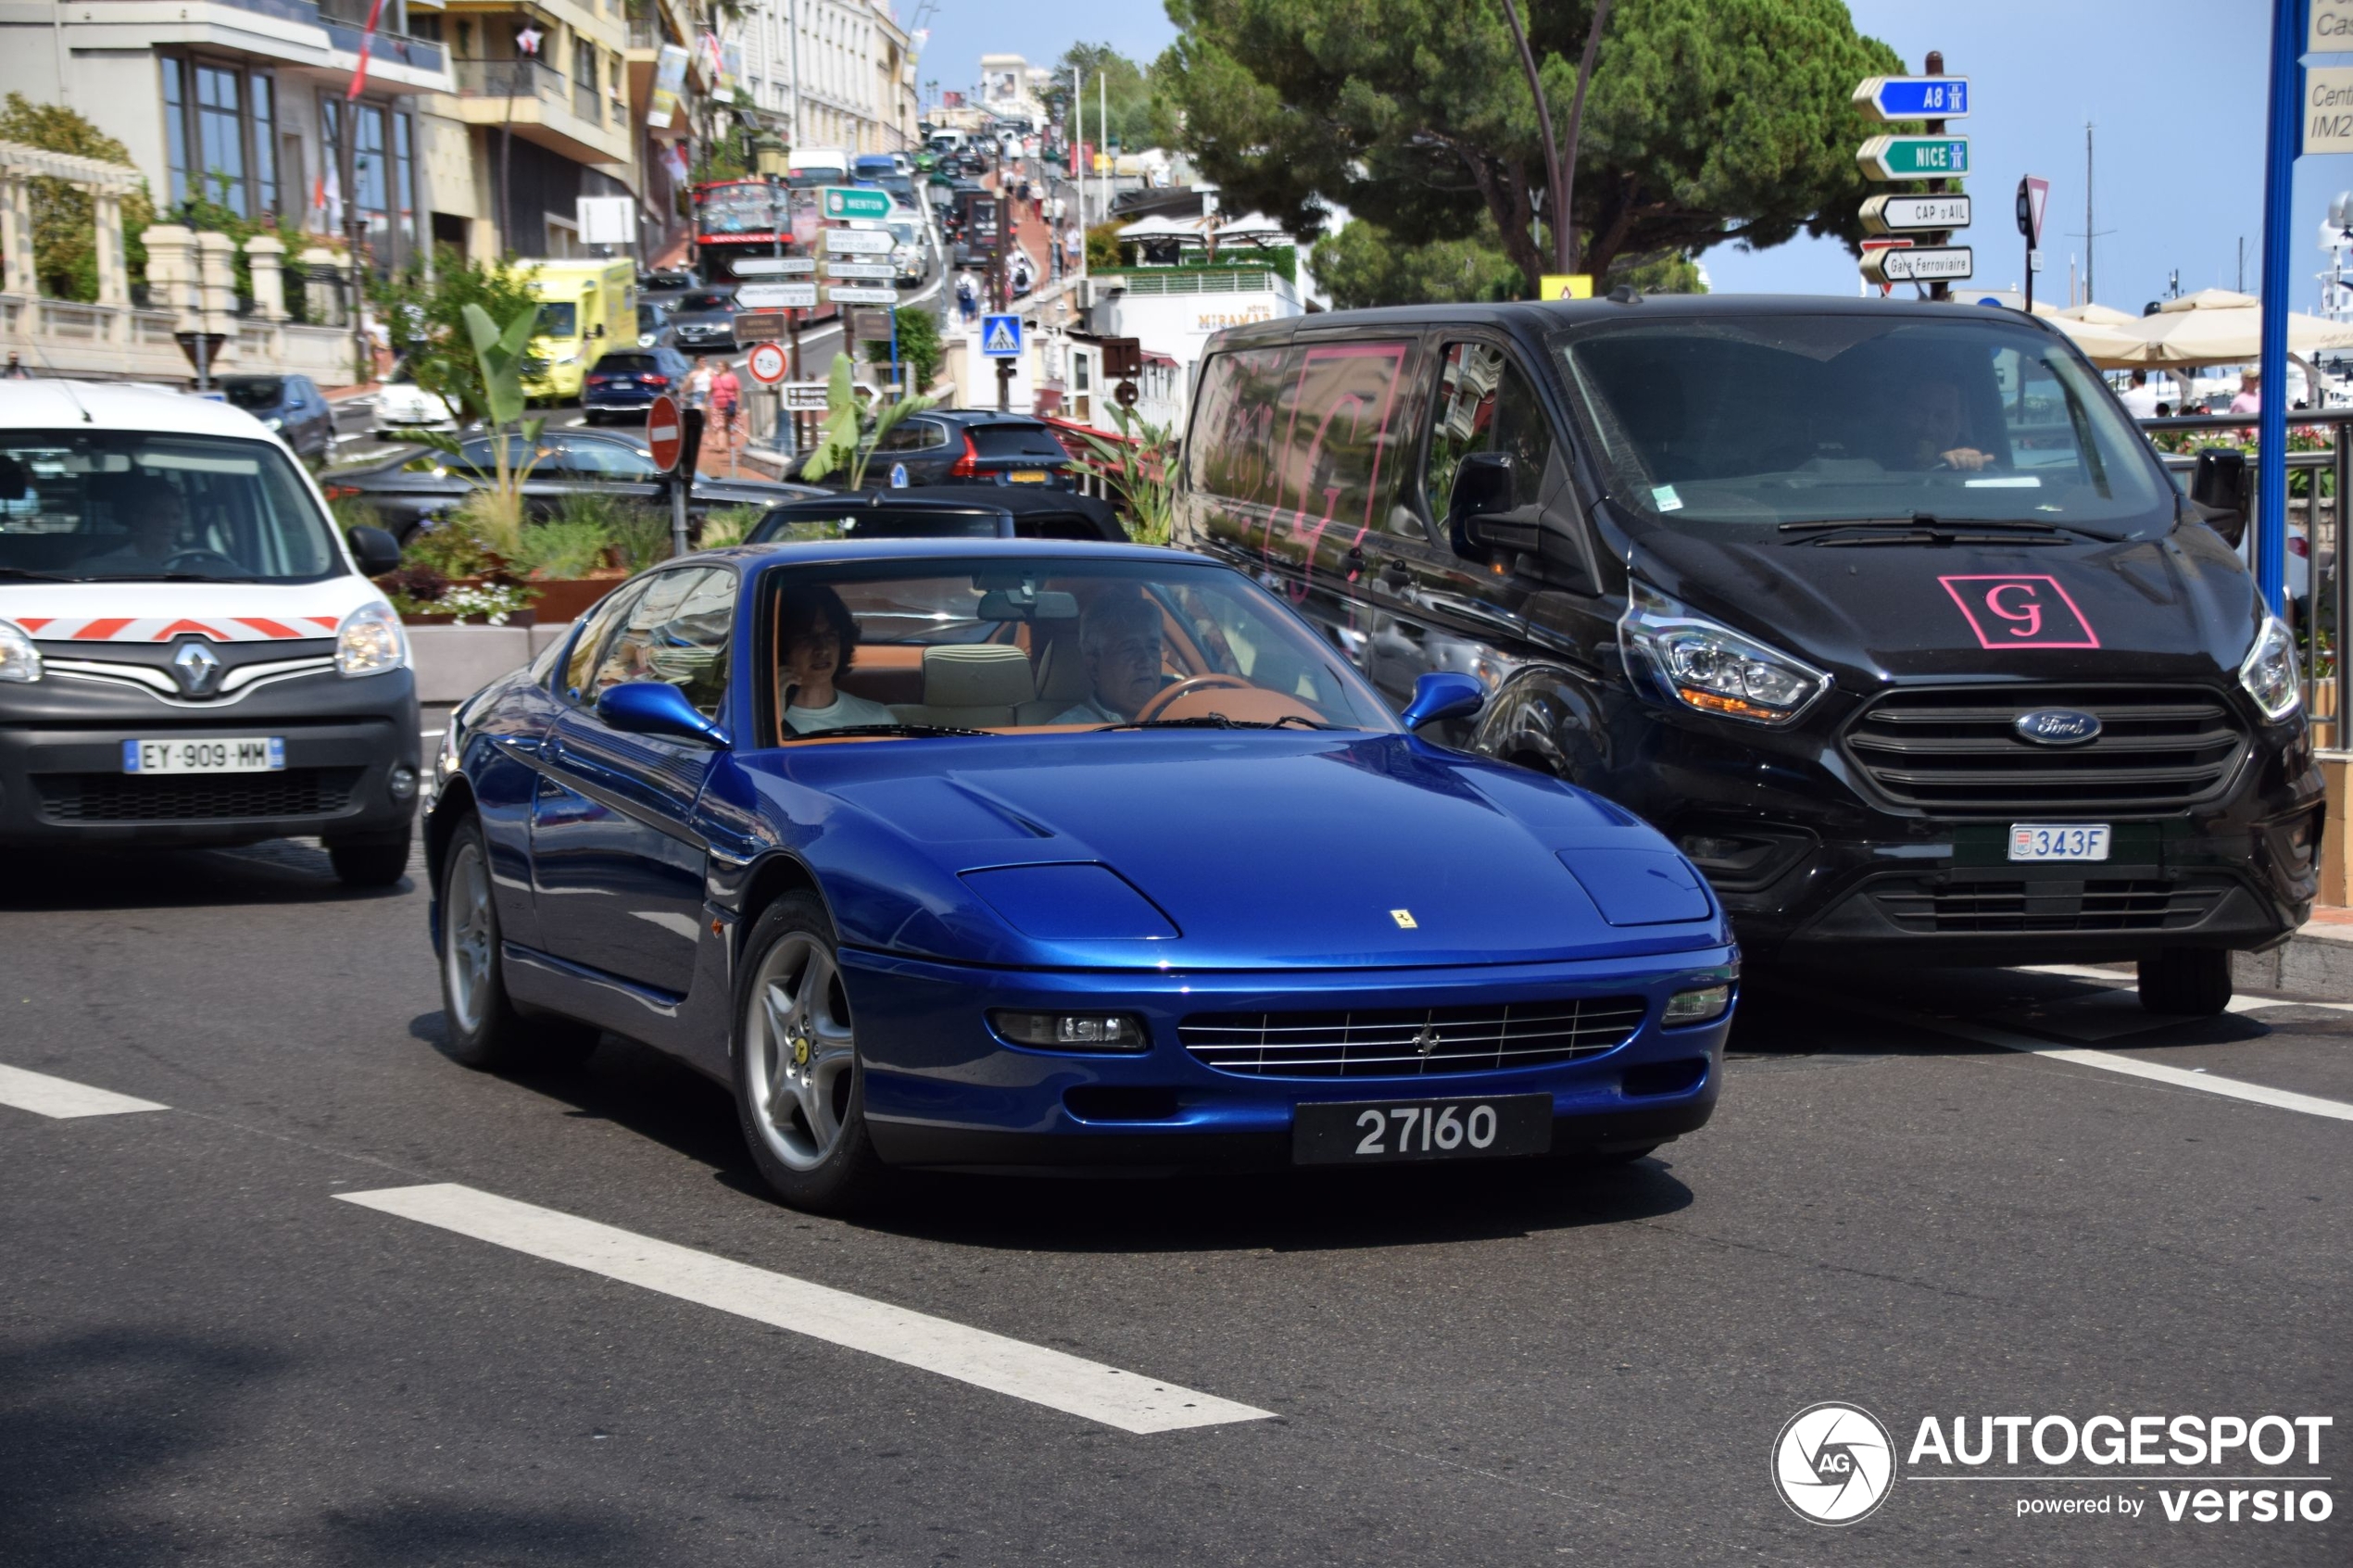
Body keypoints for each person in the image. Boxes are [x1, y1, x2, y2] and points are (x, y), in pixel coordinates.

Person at [779, 584, 897, 734]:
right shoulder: (756, 720)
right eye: (806, 637)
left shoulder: (876, 720)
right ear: (780, 646)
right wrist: (772, 717)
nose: (822, 649)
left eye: (830, 635)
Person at [1054, 591, 1166, 723]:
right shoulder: (1067, 733)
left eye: (1153, 648)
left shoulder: (1182, 719)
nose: (1146, 661)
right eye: (1130, 649)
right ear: (1094, 667)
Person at [79, 478, 187, 572]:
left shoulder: (191, 560)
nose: (169, 523)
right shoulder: (107, 564)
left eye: (175, 517)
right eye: (159, 515)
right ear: (138, 519)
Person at [1894, 377, 1994, 470]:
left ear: (1960, 421)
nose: (1928, 428)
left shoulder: (1978, 458)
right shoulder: (1880, 457)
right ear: (1901, 413)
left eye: (1942, 417)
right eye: (1919, 414)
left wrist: (1963, 466)